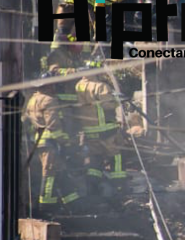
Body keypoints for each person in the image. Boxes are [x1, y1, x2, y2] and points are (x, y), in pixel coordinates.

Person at [24, 75, 80, 210]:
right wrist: (66, 142)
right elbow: (53, 125)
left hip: (40, 142)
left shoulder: (32, 99)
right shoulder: (49, 100)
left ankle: (72, 201)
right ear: (48, 85)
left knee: (60, 170)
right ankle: (46, 204)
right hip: (51, 142)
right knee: (49, 173)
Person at [74, 68, 127, 198]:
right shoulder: (100, 86)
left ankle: (93, 188)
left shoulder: (78, 85)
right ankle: (119, 185)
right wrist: (117, 99)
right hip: (105, 129)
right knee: (116, 155)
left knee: (94, 158)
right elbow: (107, 105)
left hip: (89, 130)